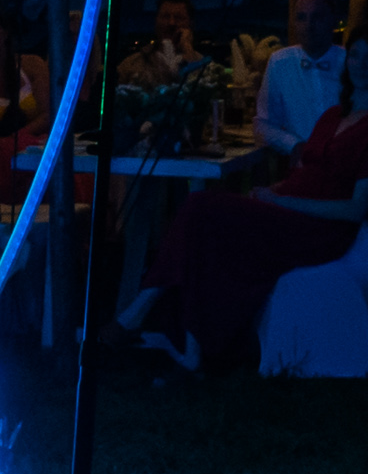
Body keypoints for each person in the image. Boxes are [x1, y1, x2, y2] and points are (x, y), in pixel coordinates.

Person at [102, 24, 368, 372]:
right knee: (203, 224)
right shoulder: (333, 117)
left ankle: (140, 314)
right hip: (288, 208)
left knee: (201, 207)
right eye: (356, 56)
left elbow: (355, 209)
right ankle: (186, 345)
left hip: (320, 229)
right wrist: (275, 191)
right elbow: (307, 174)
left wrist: (280, 202)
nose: (362, 64)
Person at [0, 3, 51, 207]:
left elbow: (49, 114)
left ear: (5, 32)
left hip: (40, 152)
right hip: (0, 160)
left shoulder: (32, 65)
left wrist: (15, 140)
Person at [254, 0, 344, 162]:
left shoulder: (350, 62)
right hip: (302, 164)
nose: (308, 25)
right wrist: (293, 144)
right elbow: (263, 124)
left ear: (333, 21)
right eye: (301, 18)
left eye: (317, 17)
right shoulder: (280, 62)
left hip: (345, 161)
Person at [117, 0, 205, 89]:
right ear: (156, 21)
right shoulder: (131, 64)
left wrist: (188, 50)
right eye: (165, 17)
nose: (171, 23)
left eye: (179, 18)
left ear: (190, 23)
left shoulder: (205, 66)